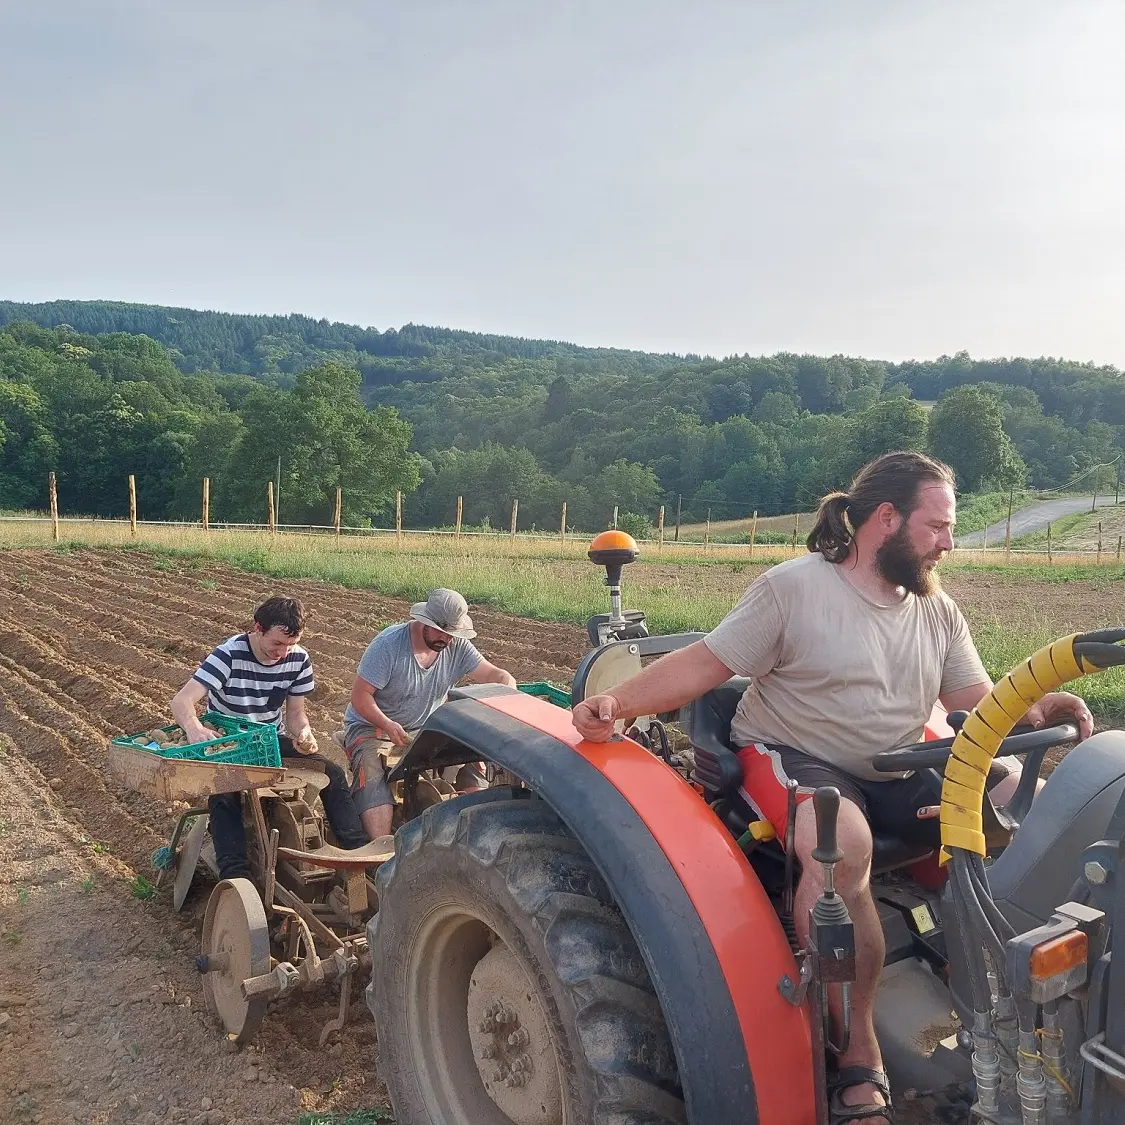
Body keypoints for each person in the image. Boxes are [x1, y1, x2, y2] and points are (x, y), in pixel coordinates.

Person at [571, 451, 1093, 1125]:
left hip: (894, 761)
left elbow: (973, 698)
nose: (948, 541)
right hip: (795, 752)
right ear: (885, 519)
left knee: (1020, 795)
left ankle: (996, 977)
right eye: (936, 525)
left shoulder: (935, 610)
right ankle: (857, 1048)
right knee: (840, 846)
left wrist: (1036, 707)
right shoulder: (794, 588)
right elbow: (706, 662)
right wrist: (617, 702)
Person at [171, 595, 368, 882]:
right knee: (225, 795)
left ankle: (357, 854)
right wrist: (194, 728)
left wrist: (304, 732)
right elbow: (182, 701)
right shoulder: (228, 655)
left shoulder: (298, 659)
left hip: (268, 742)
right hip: (230, 745)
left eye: (290, 644)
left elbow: (296, 713)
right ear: (257, 628)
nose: (284, 652)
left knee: (333, 773)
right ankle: (236, 877)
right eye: (277, 643)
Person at [342, 588, 517, 840]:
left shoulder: (456, 646)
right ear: (423, 621)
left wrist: (506, 685)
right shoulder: (389, 646)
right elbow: (360, 698)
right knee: (372, 773)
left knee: (472, 750)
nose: (446, 639)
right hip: (375, 727)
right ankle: (381, 852)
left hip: (426, 727)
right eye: (440, 631)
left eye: (452, 634)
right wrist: (388, 725)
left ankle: (475, 831)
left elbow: (494, 674)